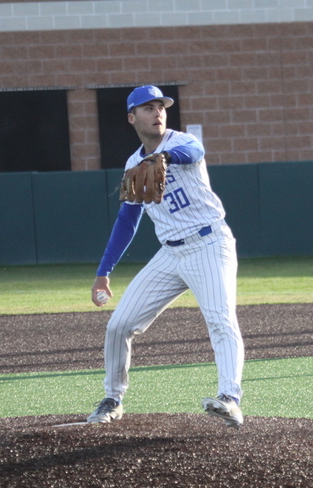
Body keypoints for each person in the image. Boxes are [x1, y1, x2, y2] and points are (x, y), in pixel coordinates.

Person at [87, 85, 244, 428]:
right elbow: (128, 220)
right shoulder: (133, 164)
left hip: (209, 244)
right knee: (119, 325)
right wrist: (104, 271)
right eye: (147, 107)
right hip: (169, 254)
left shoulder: (180, 142)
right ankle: (113, 398)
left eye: (161, 105)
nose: (157, 112)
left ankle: (230, 398)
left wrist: (166, 158)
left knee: (220, 318)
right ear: (132, 117)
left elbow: (194, 149)